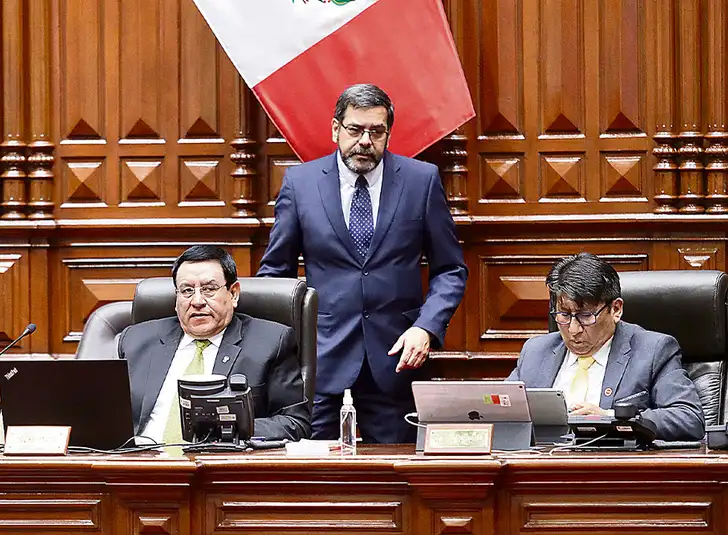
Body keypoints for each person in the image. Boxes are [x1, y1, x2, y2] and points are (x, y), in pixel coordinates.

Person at [257, 83, 467, 443]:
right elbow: (276, 275)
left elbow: (450, 269)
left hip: (397, 360)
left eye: (376, 131)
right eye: (355, 129)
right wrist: (283, 350)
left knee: (395, 472)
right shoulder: (301, 184)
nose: (365, 141)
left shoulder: (421, 181)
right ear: (335, 129)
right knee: (314, 472)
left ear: (388, 133)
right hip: (321, 362)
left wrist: (426, 328)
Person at [118, 245, 311, 443]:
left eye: (209, 289)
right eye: (187, 291)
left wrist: (229, 429)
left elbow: (295, 423)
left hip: (218, 459)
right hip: (139, 457)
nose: (197, 301)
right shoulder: (136, 340)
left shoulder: (271, 342)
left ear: (233, 294)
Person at [507, 253, 704, 441]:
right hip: (542, 460)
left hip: (612, 461)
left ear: (616, 309)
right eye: (564, 315)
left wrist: (610, 418)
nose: (573, 329)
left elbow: (688, 417)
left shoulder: (653, 351)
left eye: (585, 316)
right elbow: (500, 411)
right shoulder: (536, 352)